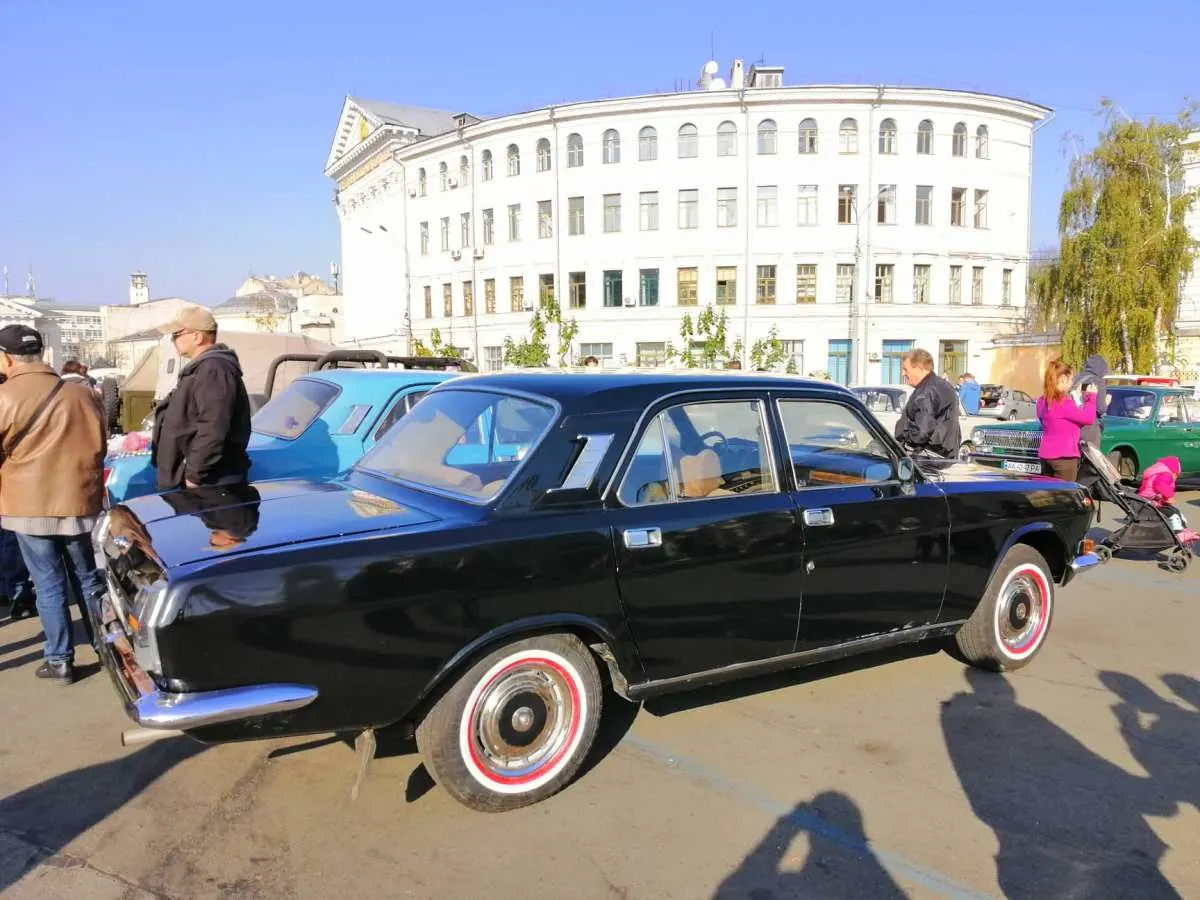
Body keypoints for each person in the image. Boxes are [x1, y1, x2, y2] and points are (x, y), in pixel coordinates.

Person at [0, 324, 105, 683]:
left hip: (27, 505)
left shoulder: (4, 396)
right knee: (88, 578)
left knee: (47, 583)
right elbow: (99, 445)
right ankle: (107, 648)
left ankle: (60, 660)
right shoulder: (82, 393)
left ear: (6, 358)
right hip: (77, 500)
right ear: (41, 353)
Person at [151, 305, 252, 491]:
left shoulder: (214, 369)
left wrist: (194, 475)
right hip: (204, 478)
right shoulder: (203, 368)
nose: (173, 340)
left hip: (212, 481)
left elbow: (214, 425)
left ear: (197, 337)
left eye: (177, 334)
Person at [1036, 359, 1096, 481]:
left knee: (1048, 491)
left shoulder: (1042, 401)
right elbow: (1088, 418)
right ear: (1063, 379)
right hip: (1064, 457)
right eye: (1071, 379)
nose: (1072, 383)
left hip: (1046, 455)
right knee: (1065, 492)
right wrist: (1091, 397)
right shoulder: (1063, 402)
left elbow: (1062, 422)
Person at [894, 349, 961, 457]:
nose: (903, 373)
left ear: (919, 368)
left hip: (926, 458)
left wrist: (904, 436)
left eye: (906, 369)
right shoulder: (940, 385)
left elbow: (922, 432)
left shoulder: (927, 392)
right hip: (940, 454)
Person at [1070, 354, 1109, 448]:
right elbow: (1100, 409)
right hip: (1089, 428)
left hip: (1072, 425)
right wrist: (1107, 403)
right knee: (1090, 455)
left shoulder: (1074, 380)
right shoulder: (1098, 381)